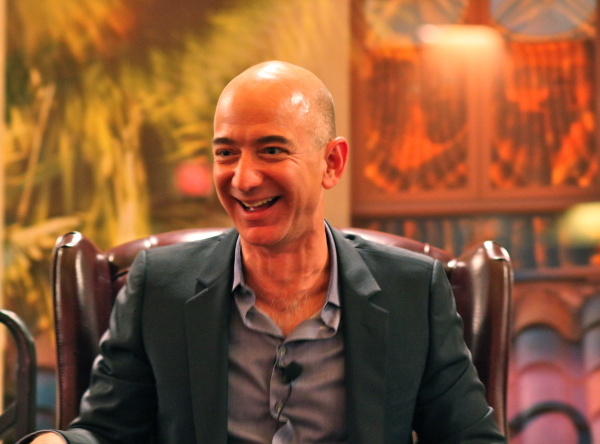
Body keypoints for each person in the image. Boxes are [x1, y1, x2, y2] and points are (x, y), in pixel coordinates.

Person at [22, 61, 505, 443]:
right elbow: (106, 432)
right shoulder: (159, 287)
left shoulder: (412, 291)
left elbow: (468, 437)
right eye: (226, 152)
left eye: (272, 150)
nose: (244, 178)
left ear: (331, 162)